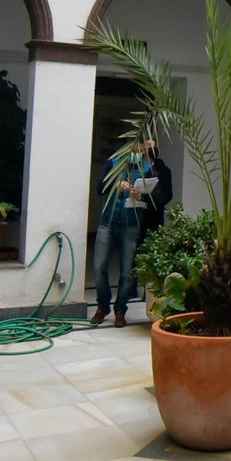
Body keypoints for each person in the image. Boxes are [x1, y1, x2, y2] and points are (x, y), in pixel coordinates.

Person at [91, 147, 153, 327]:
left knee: (127, 272)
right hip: (108, 222)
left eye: (141, 149)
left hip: (131, 224)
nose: (137, 151)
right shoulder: (113, 163)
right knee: (99, 265)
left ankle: (120, 309)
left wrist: (140, 195)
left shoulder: (147, 168)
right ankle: (103, 305)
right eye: (135, 148)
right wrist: (114, 184)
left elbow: (156, 197)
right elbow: (99, 188)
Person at [137, 139, 174, 249]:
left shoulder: (163, 170)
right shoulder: (135, 167)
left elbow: (168, 194)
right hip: (135, 216)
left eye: (152, 145)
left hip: (154, 216)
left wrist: (155, 202)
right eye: (147, 145)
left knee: (152, 248)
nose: (148, 148)